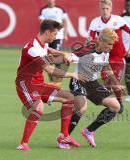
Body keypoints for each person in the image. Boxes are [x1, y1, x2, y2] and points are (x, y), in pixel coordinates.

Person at [15, 20, 87, 151]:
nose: (55, 37)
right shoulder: (32, 49)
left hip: (38, 84)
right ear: (47, 33)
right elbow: (50, 70)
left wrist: (63, 53)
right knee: (38, 108)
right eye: (54, 34)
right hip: (25, 84)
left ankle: (63, 136)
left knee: (69, 97)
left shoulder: (41, 44)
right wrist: (72, 74)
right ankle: (23, 144)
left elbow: (48, 49)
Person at [68, 28, 125, 148]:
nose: (111, 47)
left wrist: (116, 84)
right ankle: (64, 137)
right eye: (109, 44)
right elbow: (70, 56)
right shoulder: (86, 51)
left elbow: (107, 69)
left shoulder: (105, 53)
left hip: (93, 84)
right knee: (82, 108)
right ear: (101, 41)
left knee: (116, 106)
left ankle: (89, 131)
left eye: (112, 45)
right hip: (79, 81)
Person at [88, 0, 130, 107]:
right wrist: (90, 41)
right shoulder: (95, 22)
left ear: (111, 8)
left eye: (107, 9)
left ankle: (119, 102)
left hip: (118, 57)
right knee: (107, 83)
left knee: (115, 81)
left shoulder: (118, 20)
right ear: (100, 9)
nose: (105, 11)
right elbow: (90, 37)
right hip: (104, 58)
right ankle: (112, 104)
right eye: (103, 9)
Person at [39, 0, 68, 85]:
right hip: (47, 37)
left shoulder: (60, 9)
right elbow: (41, 24)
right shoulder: (43, 10)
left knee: (55, 57)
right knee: (47, 59)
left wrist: (65, 34)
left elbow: (65, 22)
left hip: (58, 36)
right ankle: (53, 80)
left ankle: (56, 80)